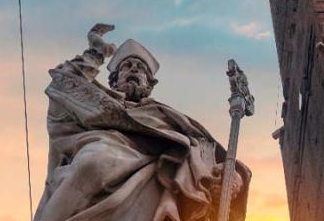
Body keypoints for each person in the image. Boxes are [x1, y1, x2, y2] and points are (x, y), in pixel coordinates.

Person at [34, 23, 250, 221]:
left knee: (105, 163)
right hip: (102, 150)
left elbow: (204, 148)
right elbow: (63, 85)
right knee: (95, 162)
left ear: (149, 84)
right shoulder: (95, 101)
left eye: (141, 68)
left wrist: (233, 177)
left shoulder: (166, 115)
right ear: (114, 80)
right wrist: (95, 53)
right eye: (127, 66)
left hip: (161, 167)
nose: (134, 70)